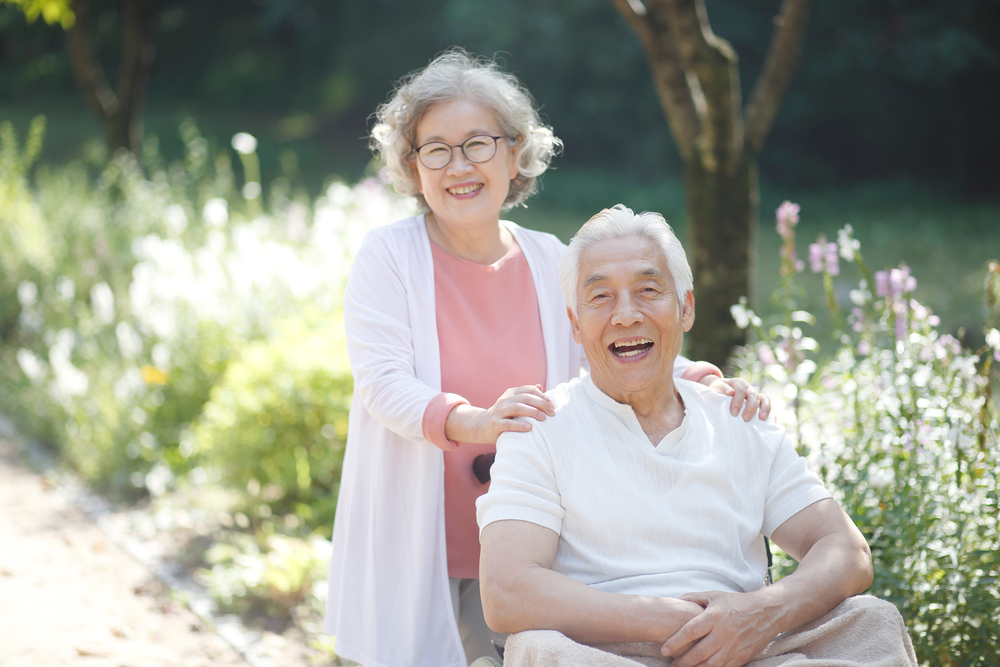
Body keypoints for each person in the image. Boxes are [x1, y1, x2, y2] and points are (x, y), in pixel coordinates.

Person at [324, 51, 770, 667]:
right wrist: (476, 422)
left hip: (529, 538)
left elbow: (604, 350)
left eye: (478, 144)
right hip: (422, 530)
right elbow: (383, 382)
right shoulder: (388, 256)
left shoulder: (550, 258)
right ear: (413, 165)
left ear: (515, 154)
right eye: (436, 149)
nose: (459, 166)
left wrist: (702, 380)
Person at [477, 205, 919, 667]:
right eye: (601, 297)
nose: (626, 315)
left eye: (648, 290)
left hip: (749, 647)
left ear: (685, 308)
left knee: (873, 622)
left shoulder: (737, 417)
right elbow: (507, 590)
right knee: (540, 652)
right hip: (605, 653)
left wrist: (761, 613)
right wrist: (678, 623)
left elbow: (846, 550)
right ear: (575, 323)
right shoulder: (540, 427)